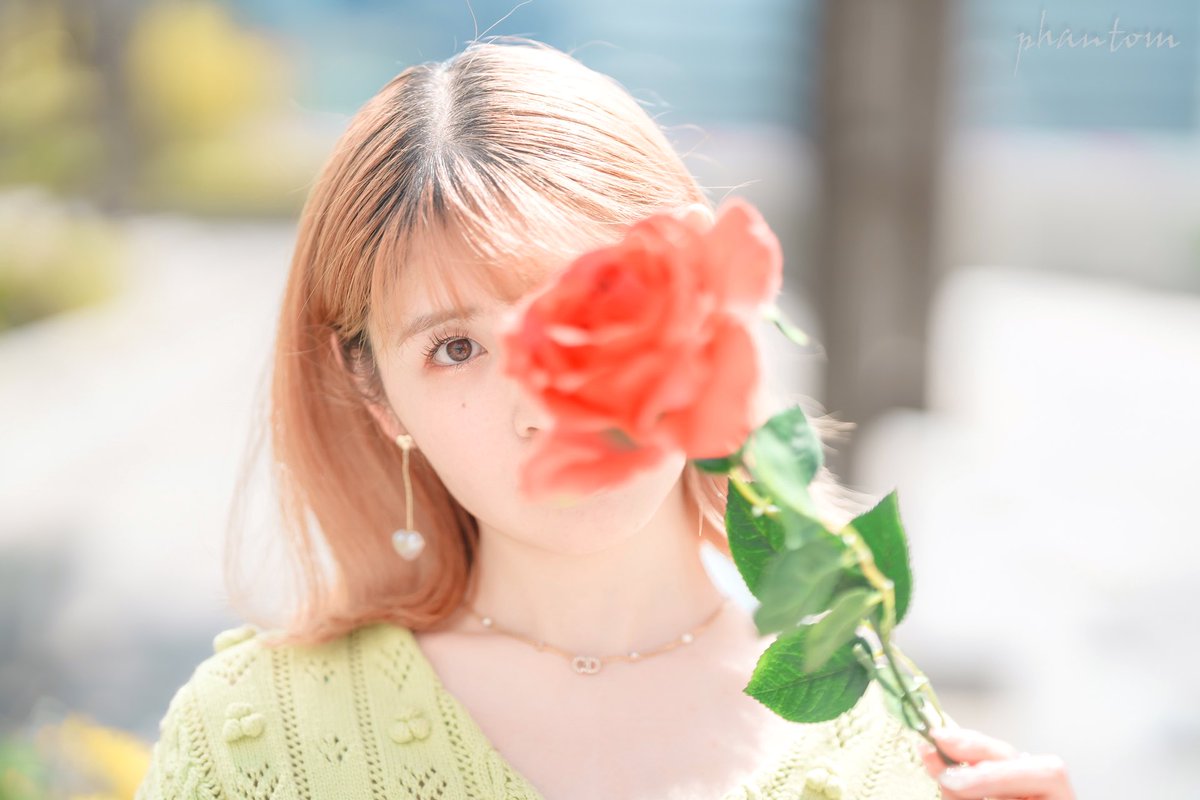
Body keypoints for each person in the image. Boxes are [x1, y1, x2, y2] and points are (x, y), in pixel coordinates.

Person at [134, 37, 1075, 800]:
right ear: (379, 397)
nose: (546, 401)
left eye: (585, 314)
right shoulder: (255, 746)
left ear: (701, 306)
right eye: (455, 348)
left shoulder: (888, 747)